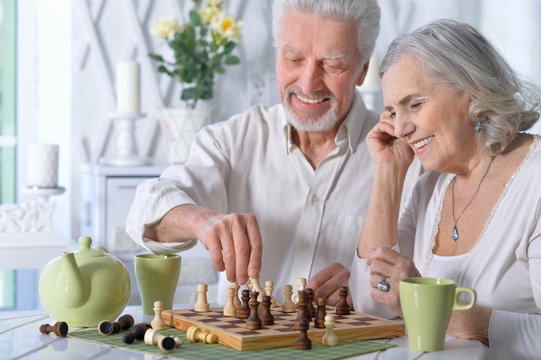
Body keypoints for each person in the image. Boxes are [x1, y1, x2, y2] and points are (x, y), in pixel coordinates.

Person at [126, 0, 421, 305]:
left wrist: (367, 287)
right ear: (276, 55)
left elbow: (432, 280)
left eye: (332, 65)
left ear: (362, 70)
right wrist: (200, 220)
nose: (308, 83)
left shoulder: (405, 157)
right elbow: (145, 213)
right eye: (293, 59)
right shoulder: (233, 140)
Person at [349, 19, 541, 359]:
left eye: (414, 104)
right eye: (392, 111)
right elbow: (370, 305)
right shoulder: (430, 187)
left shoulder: (535, 180)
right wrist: (387, 173)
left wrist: (444, 312)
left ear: (470, 89)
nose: (401, 128)